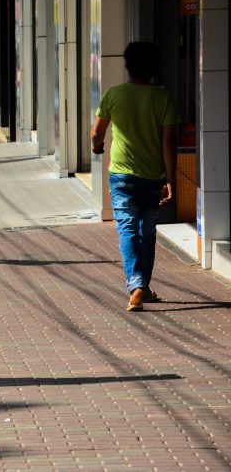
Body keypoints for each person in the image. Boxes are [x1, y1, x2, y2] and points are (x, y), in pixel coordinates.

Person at [91, 42, 179, 312]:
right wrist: (170, 179)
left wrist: (97, 147)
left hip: (121, 175)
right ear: (154, 68)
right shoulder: (162, 98)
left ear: (127, 66)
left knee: (127, 227)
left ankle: (136, 285)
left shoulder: (113, 95)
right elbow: (168, 141)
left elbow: (97, 133)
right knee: (147, 231)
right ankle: (143, 286)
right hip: (153, 176)